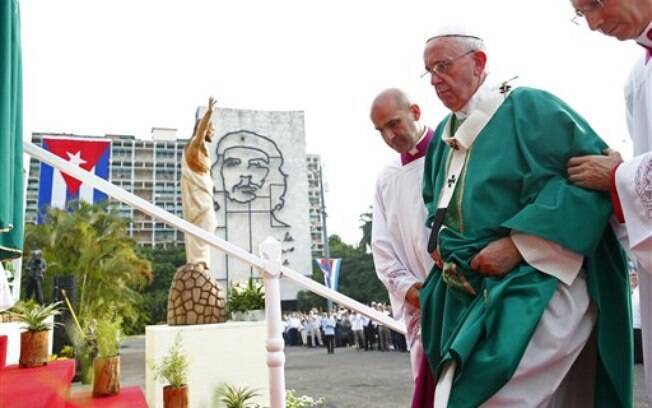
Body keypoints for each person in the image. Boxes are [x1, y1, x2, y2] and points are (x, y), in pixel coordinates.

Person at [417, 30, 631, 407]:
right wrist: (437, 243)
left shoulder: (530, 108)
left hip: (533, 283)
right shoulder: (443, 137)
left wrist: (519, 245)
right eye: (429, 71)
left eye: (442, 66)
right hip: (463, 291)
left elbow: (591, 181)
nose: (435, 79)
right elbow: (435, 204)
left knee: (486, 396)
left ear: (479, 62)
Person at [565, 0, 652, 401]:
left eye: (596, 3)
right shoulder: (638, 77)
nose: (593, 23)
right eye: (581, 13)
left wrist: (619, 178)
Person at [369, 88, 433, 379]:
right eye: (381, 130)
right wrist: (409, 289)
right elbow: (381, 248)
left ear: (415, 112)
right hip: (420, 301)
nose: (390, 136)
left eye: (394, 123)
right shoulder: (386, 178)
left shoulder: (456, 153)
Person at [181, 97, 217, 268]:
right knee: (201, 233)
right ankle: (198, 264)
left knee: (207, 231)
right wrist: (209, 113)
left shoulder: (204, 151)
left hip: (204, 197)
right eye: (211, 127)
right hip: (198, 202)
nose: (213, 130)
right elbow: (200, 134)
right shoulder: (194, 147)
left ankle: (201, 265)